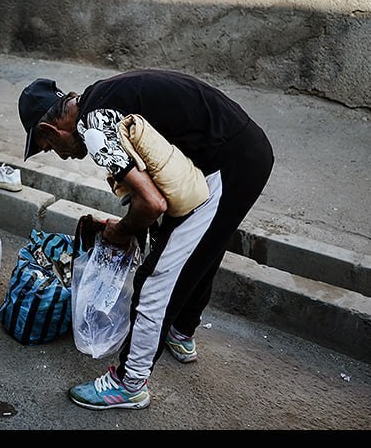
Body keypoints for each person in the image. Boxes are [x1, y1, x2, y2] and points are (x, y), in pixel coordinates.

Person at [17, 69, 274, 410]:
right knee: (198, 250)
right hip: (243, 151)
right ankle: (181, 333)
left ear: (50, 129)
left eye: (49, 146)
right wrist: (129, 224)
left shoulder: (93, 129)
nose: (60, 154)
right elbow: (155, 187)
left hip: (227, 164)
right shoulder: (100, 98)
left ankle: (128, 383)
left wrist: (122, 231)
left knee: (157, 280)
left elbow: (153, 204)